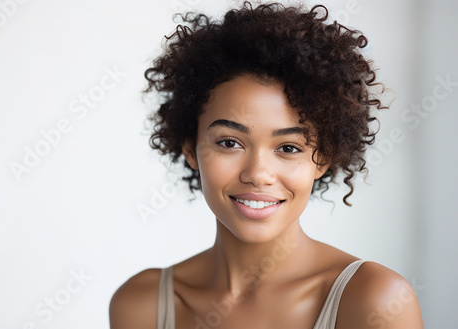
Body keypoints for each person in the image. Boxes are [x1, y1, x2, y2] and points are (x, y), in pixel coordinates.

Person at [109, 2, 424, 328]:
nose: (258, 174)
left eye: (288, 147)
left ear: (323, 159)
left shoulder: (375, 299)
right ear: (191, 148)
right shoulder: (142, 303)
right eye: (229, 143)